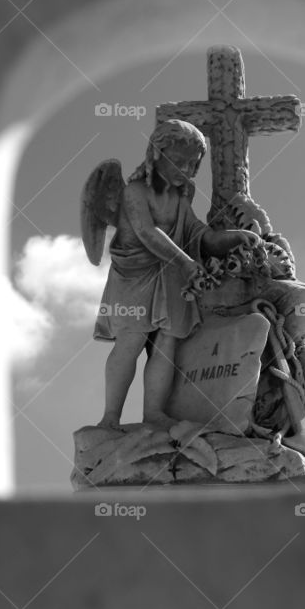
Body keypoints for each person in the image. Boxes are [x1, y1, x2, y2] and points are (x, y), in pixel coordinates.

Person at [93, 119, 256, 430]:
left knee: (167, 345)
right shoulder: (135, 191)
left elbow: (198, 234)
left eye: (192, 164)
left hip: (171, 278)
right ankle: (110, 418)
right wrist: (185, 263)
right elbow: (147, 232)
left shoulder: (181, 199)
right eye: (178, 161)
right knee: (131, 340)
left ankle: (153, 413)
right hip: (135, 275)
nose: (185, 170)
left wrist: (232, 237)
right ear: (156, 153)